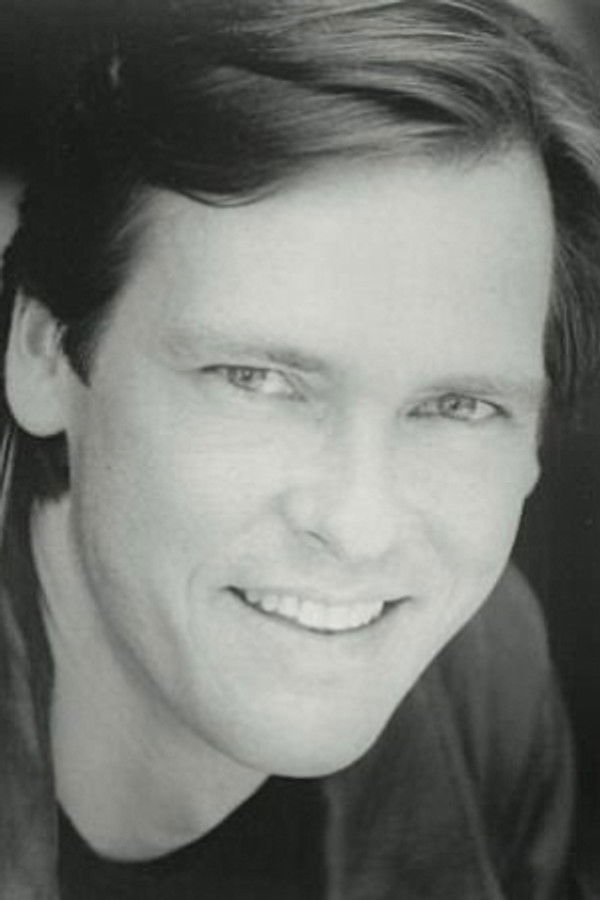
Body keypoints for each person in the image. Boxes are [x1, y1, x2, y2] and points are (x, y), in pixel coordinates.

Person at [1, 1, 599, 897]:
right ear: (45, 356)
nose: (358, 528)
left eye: (459, 406)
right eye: (256, 380)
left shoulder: (485, 674)